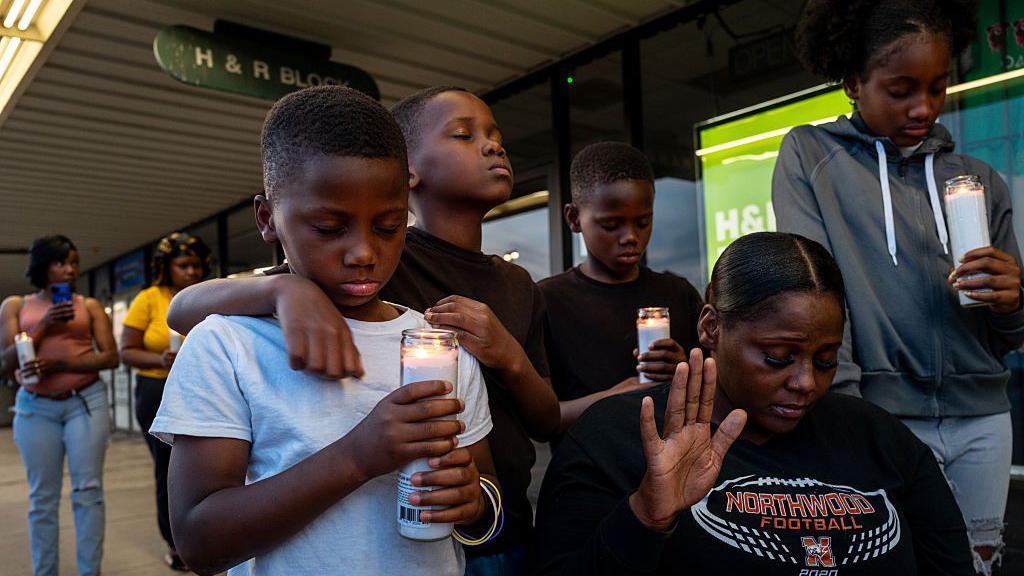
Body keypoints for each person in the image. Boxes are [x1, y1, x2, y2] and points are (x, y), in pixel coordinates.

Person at [167, 85, 559, 575]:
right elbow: (199, 542)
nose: (363, 253)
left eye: (389, 226)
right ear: (268, 218)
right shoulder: (228, 344)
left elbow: (486, 495)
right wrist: (358, 456)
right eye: (330, 228)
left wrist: (473, 502)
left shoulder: (434, 345)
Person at [533, 232, 974, 575]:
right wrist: (645, 517)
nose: (805, 383)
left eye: (825, 361)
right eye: (777, 358)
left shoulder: (879, 438)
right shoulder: (617, 438)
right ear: (711, 327)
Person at [773, 2, 1020, 571]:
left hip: (982, 414)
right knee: (893, 564)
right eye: (901, 89)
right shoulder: (812, 157)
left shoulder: (980, 180)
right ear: (854, 82)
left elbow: (1010, 333)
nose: (923, 108)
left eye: (937, 88)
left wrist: (1014, 300)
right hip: (881, 414)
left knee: (976, 566)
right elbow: (817, 295)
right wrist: (847, 414)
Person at [539, 141, 701, 432]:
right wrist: (624, 394)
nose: (630, 236)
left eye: (643, 222)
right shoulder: (548, 301)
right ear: (574, 219)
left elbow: (713, 392)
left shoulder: (678, 293)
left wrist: (684, 370)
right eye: (612, 224)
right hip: (588, 468)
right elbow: (543, 421)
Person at [0, 235, 119, 576]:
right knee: (42, 500)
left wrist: (61, 366)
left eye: (74, 262)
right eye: (60, 262)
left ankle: (89, 572)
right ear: (42, 266)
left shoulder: (90, 305)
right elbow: (6, 362)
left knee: (88, 492)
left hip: (84, 401)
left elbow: (110, 357)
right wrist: (43, 325)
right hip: (35, 408)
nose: (70, 270)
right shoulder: (16, 306)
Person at [119, 231, 211, 571]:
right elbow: (126, 351)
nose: (192, 272)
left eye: (197, 266)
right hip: (157, 389)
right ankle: (175, 541)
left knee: (208, 465)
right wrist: (159, 360)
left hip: (201, 386)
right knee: (169, 467)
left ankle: (208, 531)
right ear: (165, 267)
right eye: (183, 265)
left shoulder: (207, 294)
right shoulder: (149, 298)